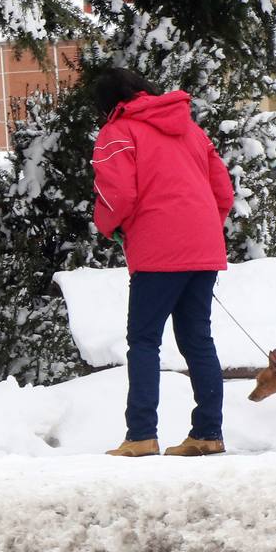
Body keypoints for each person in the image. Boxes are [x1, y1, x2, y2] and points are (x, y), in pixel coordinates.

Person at [91, 68, 234, 458]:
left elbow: (117, 194)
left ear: (108, 103)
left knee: (143, 341)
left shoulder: (118, 131)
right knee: (197, 340)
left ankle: (141, 434)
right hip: (203, 247)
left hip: (157, 250)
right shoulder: (191, 129)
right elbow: (223, 190)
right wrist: (200, 230)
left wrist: (107, 226)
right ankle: (208, 433)